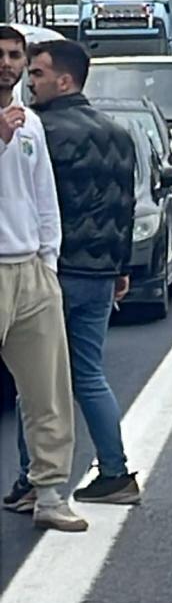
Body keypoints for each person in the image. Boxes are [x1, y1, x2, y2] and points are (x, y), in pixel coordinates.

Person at [10, 38, 139, 507]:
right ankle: (115, 474)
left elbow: (32, 201)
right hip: (101, 273)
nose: (30, 83)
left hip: (55, 272)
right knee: (88, 375)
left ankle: (32, 480)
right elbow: (125, 206)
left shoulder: (40, 130)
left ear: (64, 80)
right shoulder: (119, 133)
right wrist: (121, 267)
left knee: (36, 381)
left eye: (38, 74)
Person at [0, 26, 86, 532]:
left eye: (16, 56)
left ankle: (49, 493)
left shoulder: (31, 121)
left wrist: (49, 262)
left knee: (47, 391)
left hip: (30, 270)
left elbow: (44, 196)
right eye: (0, 55)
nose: (7, 64)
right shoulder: (12, 127)